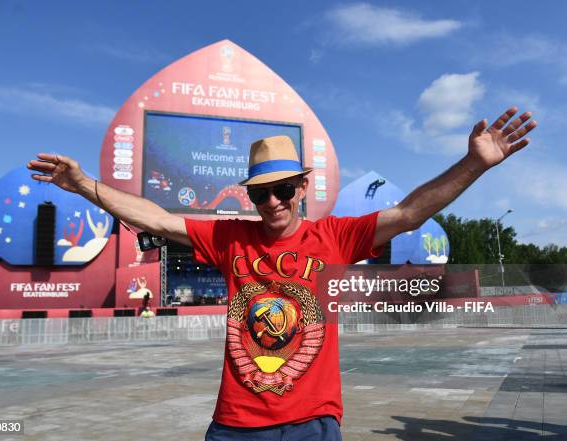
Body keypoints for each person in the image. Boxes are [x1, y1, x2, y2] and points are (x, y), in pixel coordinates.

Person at [27, 107, 536, 440]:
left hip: (312, 423)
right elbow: (155, 217)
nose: (272, 201)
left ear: (301, 188)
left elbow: (407, 214)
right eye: (259, 193)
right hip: (236, 424)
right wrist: (84, 184)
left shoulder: (333, 237)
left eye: (283, 189)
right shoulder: (230, 238)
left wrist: (475, 164)